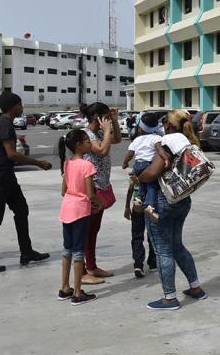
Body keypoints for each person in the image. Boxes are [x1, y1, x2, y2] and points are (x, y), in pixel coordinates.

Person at [0, 92, 52, 273]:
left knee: (21, 209)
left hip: (5, 175)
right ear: (12, 106)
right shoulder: (5, 125)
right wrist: (38, 163)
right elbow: (11, 154)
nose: (22, 108)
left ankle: (26, 252)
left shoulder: (0, 123)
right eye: (20, 105)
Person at [138, 109, 206, 310]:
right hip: (182, 200)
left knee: (163, 250)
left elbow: (152, 173)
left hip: (163, 201)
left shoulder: (168, 141)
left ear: (167, 124)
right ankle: (195, 288)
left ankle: (169, 298)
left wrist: (139, 176)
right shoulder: (187, 140)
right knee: (176, 245)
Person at [57, 129, 101, 305]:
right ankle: (77, 292)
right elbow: (90, 194)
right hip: (81, 211)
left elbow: (63, 191)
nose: (90, 143)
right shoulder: (87, 165)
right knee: (78, 251)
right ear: (79, 145)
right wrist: (99, 202)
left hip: (66, 209)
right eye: (87, 141)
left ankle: (64, 287)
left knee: (67, 250)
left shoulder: (67, 164)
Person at [80, 102, 122, 285]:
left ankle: (92, 266)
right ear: (97, 117)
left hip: (102, 185)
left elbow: (118, 139)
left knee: (94, 230)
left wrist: (114, 121)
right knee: (85, 230)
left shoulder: (100, 133)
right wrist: (106, 130)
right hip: (92, 188)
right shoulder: (86, 135)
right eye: (105, 116)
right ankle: (81, 271)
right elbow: (102, 151)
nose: (107, 119)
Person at [121, 113, 167, 278]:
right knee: (152, 234)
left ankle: (138, 265)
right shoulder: (156, 139)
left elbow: (128, 158)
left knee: (136, 235)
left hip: (136, 201)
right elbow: (160, 151)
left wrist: (128, 206)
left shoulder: (135, 141)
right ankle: (153, 262)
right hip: (151, 202)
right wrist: (165, 158)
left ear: (140, 127)